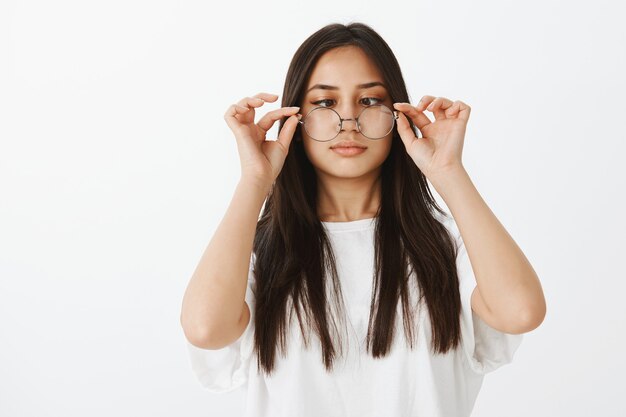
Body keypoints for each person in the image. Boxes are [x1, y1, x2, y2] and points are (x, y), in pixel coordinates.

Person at [180, 22, 546, 417]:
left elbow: (521, 311)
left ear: (398, 115)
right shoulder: (255, 254)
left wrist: (448, 172)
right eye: (324, 103)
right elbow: (206, 329)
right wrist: (254, 181)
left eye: (370, 101)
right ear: (295, 121)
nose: (349, 121)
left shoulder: (448, 247)